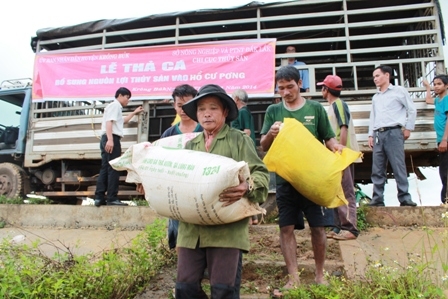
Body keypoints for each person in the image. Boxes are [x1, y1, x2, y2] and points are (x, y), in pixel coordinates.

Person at [176, 84, 269, 298]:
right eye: (201, 109)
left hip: (227, 231)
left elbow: (261, 174)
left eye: (213, 108)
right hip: (192, 231)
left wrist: (248, 186)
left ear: (225, 112)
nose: (206, 113)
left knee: (223, 291)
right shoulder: (191, 146)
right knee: (185, 288)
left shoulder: (240, 140)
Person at [260, 65, 343, 296]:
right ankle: (293, 277)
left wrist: (338, 148)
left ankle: (319, 275)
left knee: (318, 227)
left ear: (299, 84)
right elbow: (263, 146)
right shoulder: (273, 111)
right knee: (286, 227)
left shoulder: (315, 108)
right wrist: (271, 135)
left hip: (313, 181)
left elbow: (329, 139)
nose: (286, 92)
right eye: (281, 88)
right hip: (286, 181)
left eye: (290, 86)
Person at [318, 75, 362, 241]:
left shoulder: (338, 104)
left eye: (322, 87)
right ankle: (338, 226)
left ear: (326, 90)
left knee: (346, 192)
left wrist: (340, 150)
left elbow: (343, 127)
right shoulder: (331, 106)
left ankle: (350, 228)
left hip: (341, 155)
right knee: (337, 191)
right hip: (336, 156)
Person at [367, 65, 417, 207]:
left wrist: (408, 128)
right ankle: (377, 198)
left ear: (387, 75)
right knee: (377, 168)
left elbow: (411, 109)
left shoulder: (398, 91)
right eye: (374, 77)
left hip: (394, 132)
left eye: (377, 75)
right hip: (378, 133)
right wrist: (370, 134)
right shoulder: (376, 97)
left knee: (398, 166)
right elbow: (373, 116)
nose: (375, 79)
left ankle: (404, 197)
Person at [160, 84, 203, 250]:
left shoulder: (205, 130)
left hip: (199, 189)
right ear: (174, 105)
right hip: (176, 192)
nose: (183, 110)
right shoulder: (169, 134)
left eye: (187, 105)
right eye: (179, 105)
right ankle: (184, 269)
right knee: (179, 232)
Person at [94, 87, 143, 206]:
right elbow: (109, 122)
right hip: (111, 138)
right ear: (120, 95)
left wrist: (134, 112)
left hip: (108, 138)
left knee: (105, 168)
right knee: (114, 168)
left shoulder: (115, 107)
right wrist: (111, 140)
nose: (128, 101)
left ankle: (99, 198)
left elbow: (122, 121)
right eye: (127, 97)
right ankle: (111, 198)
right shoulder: (115, 106)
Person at [231, 89, 260, 225]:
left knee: (245, 181)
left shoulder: (242, 112)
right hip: (242, 150)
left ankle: (250, 216)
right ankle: (252, 217)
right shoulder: (243, 112)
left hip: (243, 151)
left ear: (236, 98)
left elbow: (246, 132)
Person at [423, 75, 448, 204]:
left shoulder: (447, 99)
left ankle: (446, 201)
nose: (436, 86)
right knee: (443, 171)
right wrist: (428, 88)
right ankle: (445, 201)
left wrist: (445, 140)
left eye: (439, 84)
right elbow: (428, 100)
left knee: (445, 172)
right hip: (441, 140)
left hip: (446, 140)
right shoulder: (439, 100)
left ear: (446, 86)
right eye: (435, 84)